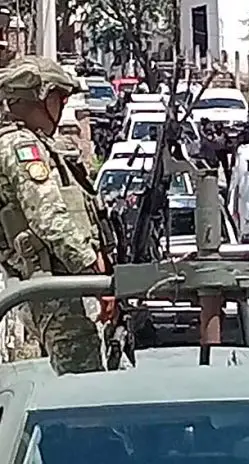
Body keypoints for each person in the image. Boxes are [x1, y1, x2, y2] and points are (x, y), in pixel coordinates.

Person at [0, 56, 112, 375]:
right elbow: (49, 219)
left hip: (62, 283)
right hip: (54, 288)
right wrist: (96, 275)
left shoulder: (38, 144)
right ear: (40, 97)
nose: (62, 106)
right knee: (81, 385)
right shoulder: (21, 147)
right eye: (59, 97)